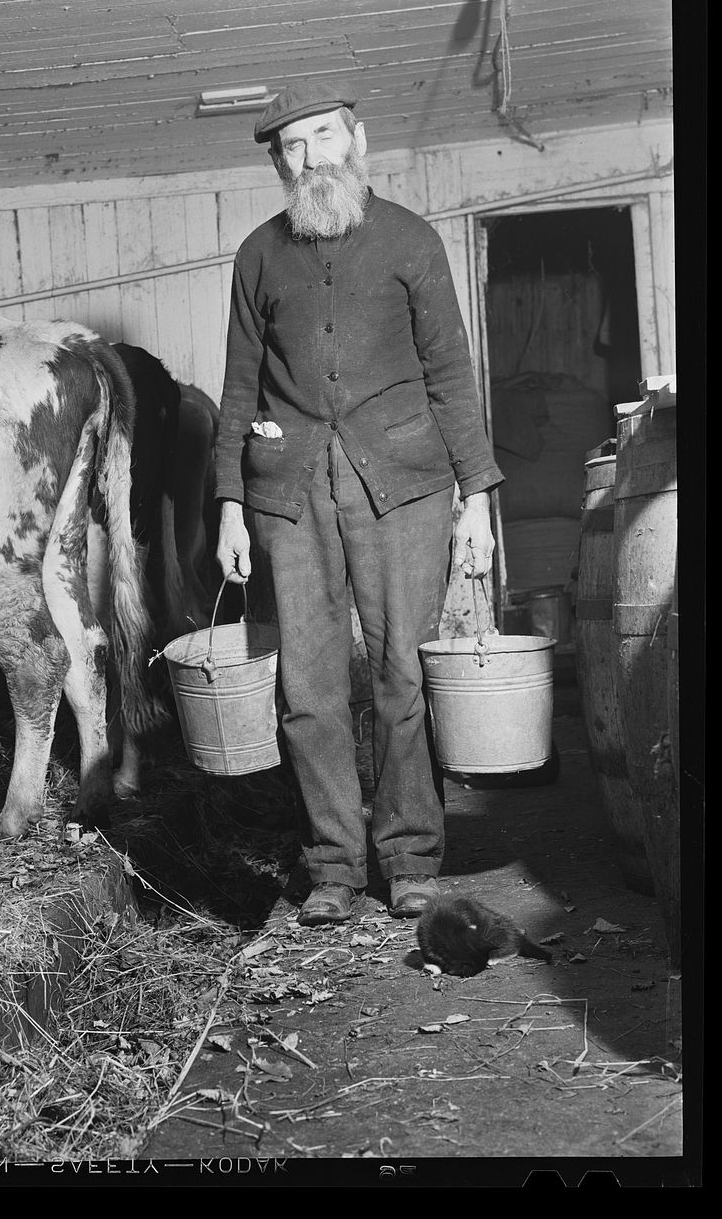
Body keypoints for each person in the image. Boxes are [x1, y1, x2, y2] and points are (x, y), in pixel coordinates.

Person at [214, 79, 504, 926]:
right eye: (292, 147)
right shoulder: (258, 256)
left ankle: (410, 857)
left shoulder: (412, 241)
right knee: (307, 690)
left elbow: (452, 374)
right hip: (288, 495)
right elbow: (238, 388)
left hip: (407, 487)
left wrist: (477, 500)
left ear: (357, 139)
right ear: (278, 162)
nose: (311, 158)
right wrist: (230, 503)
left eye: (323, 138)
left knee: (401, 675)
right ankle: (334, 868)